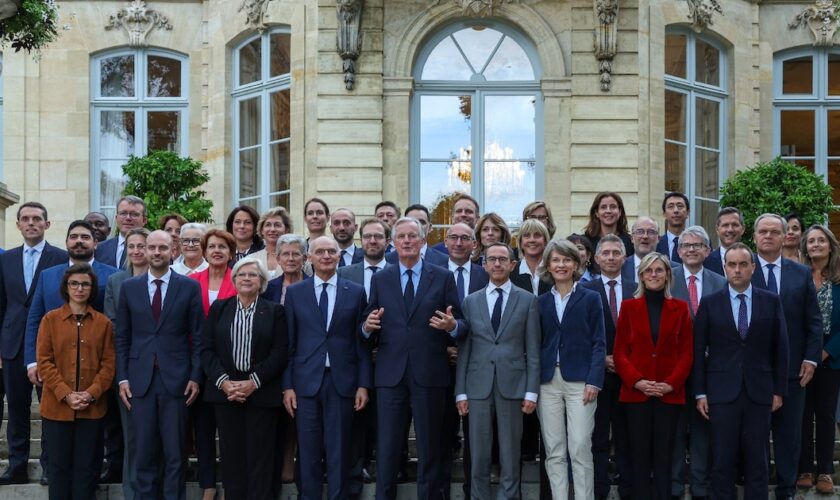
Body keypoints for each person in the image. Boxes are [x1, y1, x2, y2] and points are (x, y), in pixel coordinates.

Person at [363, 216, 463, 500]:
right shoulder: (381, 278)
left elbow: (462, 324)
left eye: (412, 236)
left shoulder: (442, 276)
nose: (406, 241)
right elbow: (368, 322)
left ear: (422, 241)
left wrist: (451, 327)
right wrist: (366, 326)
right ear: (393, 243)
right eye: (401, 237)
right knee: (388, 448)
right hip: (390, 375)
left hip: (429, 374)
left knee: (430, 448)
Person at [21, 220, 120, 485]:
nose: (79, 241)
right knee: (54, 423)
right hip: (55, 366)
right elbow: (34, 318)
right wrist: (32, 360)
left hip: (94, 368)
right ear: (66, 242)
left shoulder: (111, 274)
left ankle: (95, 469)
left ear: (95, 242)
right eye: (73, 236)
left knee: (99, 428)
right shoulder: (48, 275)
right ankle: (50, 468)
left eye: (85, 237)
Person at [693, 242, 789, 500]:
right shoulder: (710, 303)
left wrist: (779, 390)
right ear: (724, 268)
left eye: (743, 264)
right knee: (722, 461)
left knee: (758, 462)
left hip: (760, 393)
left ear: (753, 268)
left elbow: (781, 349)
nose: (737, 270)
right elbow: (698, 351)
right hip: (721, 394)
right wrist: (700, 392)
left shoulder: (771, 301)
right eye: (732, 264)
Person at [115, 230, 204, 499]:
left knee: (175, 453)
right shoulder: (130, 288)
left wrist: (195, 376)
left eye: (162, 248)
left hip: (176, 381)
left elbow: (198, 337)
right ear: (143, 250)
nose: (155, 252)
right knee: (143, 452)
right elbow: (122, 337)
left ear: (172, 250)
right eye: (150, 247)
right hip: (139, 381)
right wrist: (122, 378)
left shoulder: (188, 287)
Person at [283, 237, 371, 499]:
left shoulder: (355, 292)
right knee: (308, 451)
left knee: (339, 450)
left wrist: (363, 384)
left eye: (331, 251)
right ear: (309, 257)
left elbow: (361, 344)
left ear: (339, 257)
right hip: (305, 383)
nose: (326, 256)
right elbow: (290, 343)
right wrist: (287, 386)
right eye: (319, 251)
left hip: (342, 382)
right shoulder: (297, 293)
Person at [455, 242, 539, 499]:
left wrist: (531, 391)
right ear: (485, 265)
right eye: (492, 259)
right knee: (478, 453)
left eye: (503, 259)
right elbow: (465, 350)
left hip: (513, 385)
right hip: (477, 385)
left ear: (513, 265)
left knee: (510, 452)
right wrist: (460, 392)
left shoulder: (528, 301)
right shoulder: (471, 301)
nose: (497, 264)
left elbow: (533, 350)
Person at [201, 256, 288, 500]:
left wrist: (253, 382)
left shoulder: (274, 311)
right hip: (226, 392)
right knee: (232, 457)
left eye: (253, 275)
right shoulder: (220, 308)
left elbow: (280, 352)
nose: (247, 278)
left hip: (261, 392)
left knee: (261, 458)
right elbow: (206, 349)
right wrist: (224, 383)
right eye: (242, 274)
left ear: (262, 281)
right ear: (234, 279)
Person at [751, 213, 822, 500]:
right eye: (763, 232)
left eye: (774, 232)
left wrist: (811, 359)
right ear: (754, 237)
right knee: (754, 437)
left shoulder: (801, 274)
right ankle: (756, 491)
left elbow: (814, 322)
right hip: (752, 372)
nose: (768, 236)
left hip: (794, 371)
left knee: (789, 437)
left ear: (785, 237)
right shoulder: (743, 269)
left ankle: (786, 491)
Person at [613, 252, 693, 500]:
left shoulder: (680, 308)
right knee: (638, 456)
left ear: (668, 274)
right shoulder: (629, 307)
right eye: (649, 271)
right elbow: (620, 353)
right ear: (641, 276)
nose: (654, 275)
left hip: (668, 395)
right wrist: (637, 381)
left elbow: (687, 353)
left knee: (664, 457)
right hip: (636, 394)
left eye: (659, 270)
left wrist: (670, 384)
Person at [0, 202, 68, 485]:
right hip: (13, 344)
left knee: (51, 409)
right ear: (18, 225)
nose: (31, 223)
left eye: (37, 219)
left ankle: (49, 467)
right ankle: (16, 466)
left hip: (50, 345)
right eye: (25, 219)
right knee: (16, 408)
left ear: (47, 224)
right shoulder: (6, 259)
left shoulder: (62, 258)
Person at [36, 263, 115, 500]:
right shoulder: (50, 320)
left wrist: (90, 393)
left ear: (92, 289)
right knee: (58, 469)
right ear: (66, 287)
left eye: (85, 284)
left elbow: (108, 365)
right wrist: (66, 393)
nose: (79, 288)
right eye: (74, 283)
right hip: (57, 408)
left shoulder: (103, 323)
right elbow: (44, 361)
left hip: (92, 410)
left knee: (87, 469)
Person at [536, 238, 605, 499]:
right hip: (547, 382)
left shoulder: (591, 298)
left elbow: (599, 342)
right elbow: (535, 344)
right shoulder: (540, 302)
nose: (561, 264)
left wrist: (594, 381)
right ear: (548, 265)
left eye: (567, 259)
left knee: (579, 446)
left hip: (581, 383)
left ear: (576, 263)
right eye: (556, 260)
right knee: (554, 449)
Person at [669, 226, 727, 500]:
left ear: (708, 250)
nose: (691, 250)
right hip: (673, 369)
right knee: (676, 429)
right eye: (686, 245)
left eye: (697, 245)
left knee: (704, 429)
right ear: (678, 252)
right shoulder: (667, 279)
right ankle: (675, 484)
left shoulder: (720, 282)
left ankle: (701, 486)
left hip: (710, 368)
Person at [582, 234, 636, 500]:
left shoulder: (637, 287)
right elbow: (580, 334)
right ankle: (599, 491)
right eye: (607, 253)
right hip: (598, 376)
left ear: (625, 258)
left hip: (631, 377)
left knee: (627, 439)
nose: (612, 257)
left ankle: (628, 490)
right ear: (596, 258)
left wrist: (627, 362)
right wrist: (601, 358)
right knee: (598, 439)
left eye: (617, 253)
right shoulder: (586, 291)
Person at [189, 228, 238, 499]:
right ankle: (207, 482)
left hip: (231, 366)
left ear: (231, 253)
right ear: (204, 252)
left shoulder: (240, 279)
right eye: (212, 247)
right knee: (203, 427)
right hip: (199, 363)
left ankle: (232, 481)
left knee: (230, 429)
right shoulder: (191, 281)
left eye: (222, 247)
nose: (217, 250)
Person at [103, 227, 150, 499]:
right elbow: (113, 324)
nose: (136, 251)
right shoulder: (116, 280)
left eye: (141, 245)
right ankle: (132, 492)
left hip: (161, 366)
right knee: (131, 434)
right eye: (131, 246)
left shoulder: (168, 279)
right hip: (129, 365)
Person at [261, 233, 308, 486]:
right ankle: (278, 466)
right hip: (273, 362)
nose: (290, 258)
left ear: (304, 258)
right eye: (285, 254)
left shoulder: (314, 283)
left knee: (300, 416)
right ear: (277, 258)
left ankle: (296, 466)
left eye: (296, 254)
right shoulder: (268, 288)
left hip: (305, 361)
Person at [797, 225, 840, 494]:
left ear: (830, 245)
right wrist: (808, 354)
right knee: (802, 414)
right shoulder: (798, 276)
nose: (815, 245)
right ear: (805, 247)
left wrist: (825, 351)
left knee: (824, 415)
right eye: (811, 241)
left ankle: (824, 470)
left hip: (832, 356)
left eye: (820, 240)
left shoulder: (838, 279)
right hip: (802, 356)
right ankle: (804, 468)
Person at [95, 195, 148, 269]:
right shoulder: (99, 248)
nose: (128, 218)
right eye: (123, 213)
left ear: (144, 220)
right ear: (116, 218)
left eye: (134, 214)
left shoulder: (152, 248)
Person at [582, 192, 634, 257]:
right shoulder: (585, 242)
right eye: (603, 207)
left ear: (620, 211)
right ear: (596, 213)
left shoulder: (630, 242)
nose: (608, 211)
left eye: (613, 207)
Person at [511, 219, 551, 296]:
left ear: (545, 241)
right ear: (520, 242)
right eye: (527, 236)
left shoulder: (554, 270)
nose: (532, 240)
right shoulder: (511, 272)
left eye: (537, 235)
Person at [250, 207, 292, 279]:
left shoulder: (297, 258)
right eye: (268, 225)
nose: (272, 229)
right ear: (262, 230)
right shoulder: (251, 259)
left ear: (286, 230)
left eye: (277, 225)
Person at [704, 207, 745, 276]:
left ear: (743, 229)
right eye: (725, 225)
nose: (730, 230)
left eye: (734, 225)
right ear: (717, 229)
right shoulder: (705, 262)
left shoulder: (754, 261)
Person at [622, 216, 659, 283]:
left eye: (651, 232)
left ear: (658, 238)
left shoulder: (671, 269)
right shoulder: (621, 267)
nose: (645, 236)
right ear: (632, 238)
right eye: (640, 232)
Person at [655, 192, 690, 263]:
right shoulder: (655, 244)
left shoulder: (698, 244)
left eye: (680, 206)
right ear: (664, 214)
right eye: (670, 207)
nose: (676, 210)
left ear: (688, 213)